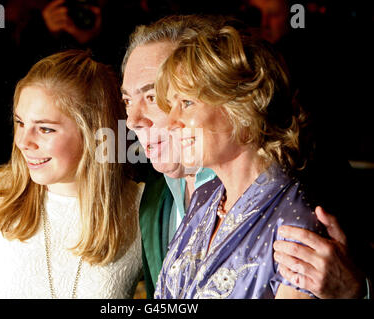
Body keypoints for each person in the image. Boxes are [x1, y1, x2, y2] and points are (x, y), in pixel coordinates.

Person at [0, 15, 369, 299]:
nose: (132, 120)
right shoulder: (151, 196)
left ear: (219, 92)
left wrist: (355, 288)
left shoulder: (309, 180)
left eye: (158, 96)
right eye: (126, 99)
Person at [153, 19, 365, 298]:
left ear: (240, 106)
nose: (170, 123)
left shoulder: (296, 222)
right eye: (172, 105)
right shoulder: (206, 196)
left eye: (187, 103)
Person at [0, 50, 143, 298]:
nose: (23, 142)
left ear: (92, 133)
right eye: (20, 123)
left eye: (45, 129)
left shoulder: (144, 208)